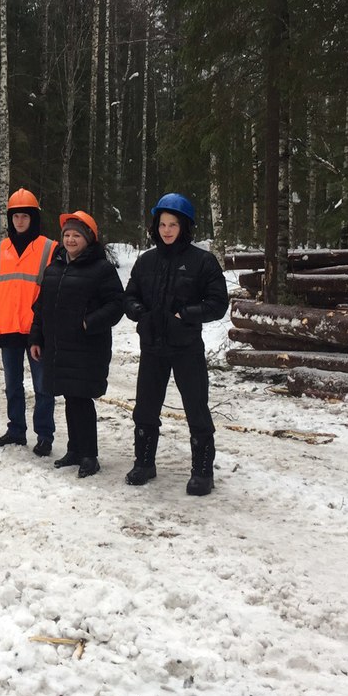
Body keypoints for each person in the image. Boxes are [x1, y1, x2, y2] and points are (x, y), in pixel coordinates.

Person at [122, 193, 229, 495]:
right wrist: (139, 312)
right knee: (145, 408)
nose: (167, 230)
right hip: (152, 347)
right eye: (162, 224)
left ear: (185, 227)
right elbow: (129, 297)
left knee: (196, 408)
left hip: (186, 348)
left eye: (173, 224)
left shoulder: (202, 261)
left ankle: (203, 472)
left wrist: (188, 314)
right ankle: (144, 463)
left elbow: (218, 303)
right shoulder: (146, 261)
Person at [29, 211, 124, 477]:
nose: (70, 240)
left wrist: (88, 322)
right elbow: (41, 308)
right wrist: (36, 337)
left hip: (87, 347)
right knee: (70, 397)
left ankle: (90, 455)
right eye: (67, 235)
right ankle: (74, 449)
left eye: (76, 236)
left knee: (81, 399)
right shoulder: (54, 268)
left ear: (89, 239)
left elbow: (117, 304)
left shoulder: (101, 269)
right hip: (59, 346)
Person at [0, 189, 58, 456]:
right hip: (8, 328)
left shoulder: (49, 248)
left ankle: (44, 435)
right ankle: (16, 430)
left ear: (33, 218)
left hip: (37, 330)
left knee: (43, 387)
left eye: (24, 216)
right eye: (15, 216)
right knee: (13, 386)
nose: (19, 221)